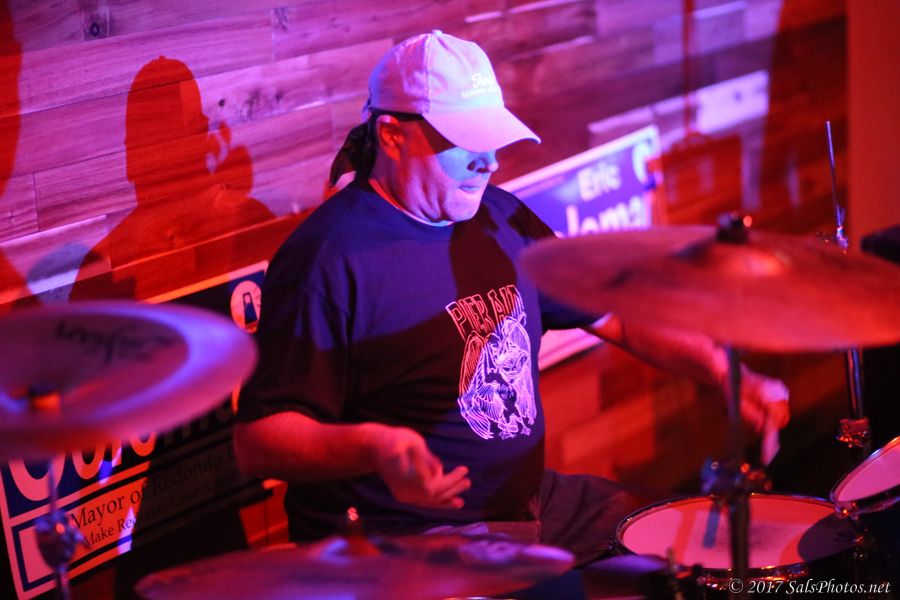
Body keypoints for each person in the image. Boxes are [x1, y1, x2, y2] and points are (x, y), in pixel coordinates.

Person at [233, 30, 790, 566]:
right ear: (392, 135)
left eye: (493, 140)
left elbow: (617, 316)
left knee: (694, 547)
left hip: (528, 505)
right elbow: (257, 443)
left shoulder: (503, 218)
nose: (491, 162)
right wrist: (373, 447)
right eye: (465, 142)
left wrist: (726, 373)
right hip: (406, 541)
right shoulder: (328, 259)